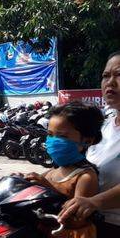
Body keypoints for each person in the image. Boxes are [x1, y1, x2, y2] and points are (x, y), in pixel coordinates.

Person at [59, 51, 120, 236]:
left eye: (119, 74)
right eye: (105, 76)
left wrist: (95, 202)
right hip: (93, 224)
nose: (110, 82)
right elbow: (83, 171)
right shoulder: (104, 126)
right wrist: (43, 180)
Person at [24, 102, 104, 238]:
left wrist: (47, 187)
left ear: (87, 141)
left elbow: (77, 218)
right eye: (50, 134)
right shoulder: (52, 172)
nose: (53, 141)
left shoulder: (86, 177)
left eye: (62, 136)